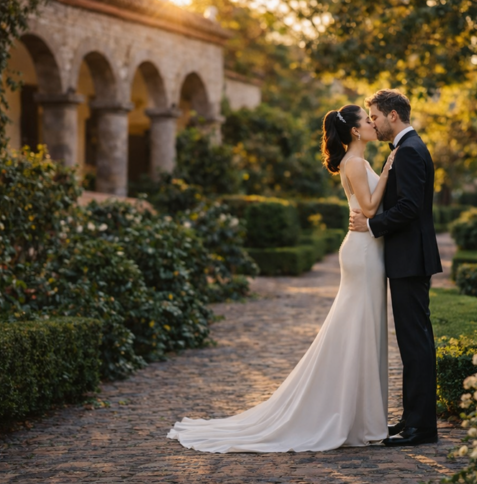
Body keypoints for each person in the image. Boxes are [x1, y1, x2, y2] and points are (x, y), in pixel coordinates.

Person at [166, 104, 397, 452]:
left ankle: (362, 416)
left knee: (359, 329)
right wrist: (390, 173)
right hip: (363, 252)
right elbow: (367, 209)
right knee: (357, 329)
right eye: (367, 121)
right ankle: (354, 418)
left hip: (366, 250)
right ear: (354, 130)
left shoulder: (358, 162)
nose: (371, 125)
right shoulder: (354, 163)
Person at [348, 89, 442, 447]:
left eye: (374, 115)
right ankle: (413, 419)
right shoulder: (407, 149)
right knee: (413, 342)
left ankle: (422, 429)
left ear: (392, 115)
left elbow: (410, 209)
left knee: (415, 343)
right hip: (407, 259)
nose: (371, 121)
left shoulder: (410, 151)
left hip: (410, 260)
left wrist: (372, 226)